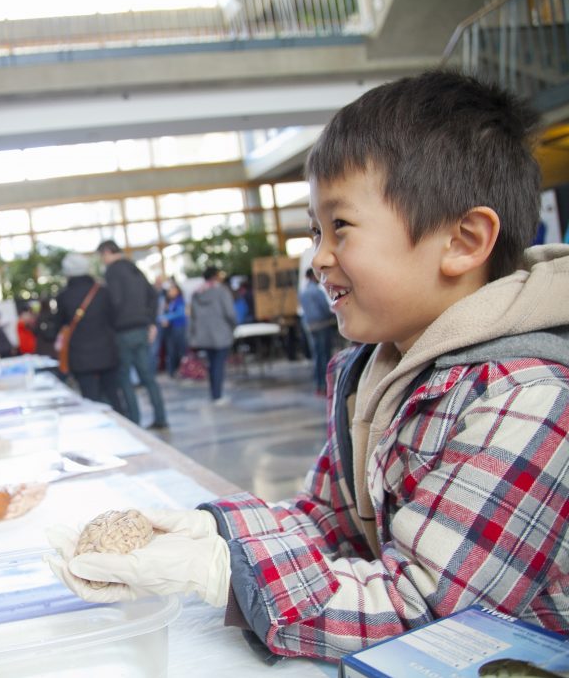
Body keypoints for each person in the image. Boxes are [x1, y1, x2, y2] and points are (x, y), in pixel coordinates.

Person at [49, 70, 569, 662]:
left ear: (462, 240)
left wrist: (228, 574)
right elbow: (329, 520)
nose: (317, 257)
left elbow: (426, 614)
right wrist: (215, 535)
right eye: (315, 230)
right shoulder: (379, 371)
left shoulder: (527, 399)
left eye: (339, 227)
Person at [96, 240, 169, 430]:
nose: (102, 261)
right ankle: (160, 417)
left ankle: (134, 421)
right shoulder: (133, 268)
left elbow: (114, 301)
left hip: (122, 332)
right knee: (148, 377)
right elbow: (152, 295)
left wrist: (108, 324)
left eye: (102, 256)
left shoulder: (112, 272)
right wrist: (151, 322)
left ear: (107, 252)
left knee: (124, 378)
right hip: (142, 330)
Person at [56, 253, 123, 412]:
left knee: (90, 400)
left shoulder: (64, 296)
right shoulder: (102, 292)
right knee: (113, 395)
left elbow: (60, 324)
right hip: (106, 351)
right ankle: (124, 430)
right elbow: (114, 319)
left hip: (80, 356)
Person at [187, 267, 237, 403]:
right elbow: (230, 313)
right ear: (215, 276)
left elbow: (193, 317)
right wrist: (234, 326)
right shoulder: (221, 291)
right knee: (219, 364)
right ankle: (218, 395)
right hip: (221, 333)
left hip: (204, 335)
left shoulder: (196, 293)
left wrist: (192, 335)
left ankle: (214, 393)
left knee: (212, 364)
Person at [298, 267, 336, 396]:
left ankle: (318, 385)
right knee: (325, 355)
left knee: (317, 356)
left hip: (310, 327)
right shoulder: (317, 291)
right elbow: (325, 309)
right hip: (322, 325)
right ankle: (325, 385)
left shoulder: (303, 292)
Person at [157, 279, 187, 377]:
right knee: (171, 350)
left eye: (172, 290)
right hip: (171, 328)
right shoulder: (170, 301)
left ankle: (182, 370)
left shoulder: (179, 301)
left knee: (179, 350)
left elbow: (180, 313)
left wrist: (165, 317)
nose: (170, 292)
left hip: (179, 327)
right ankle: (172, 370)